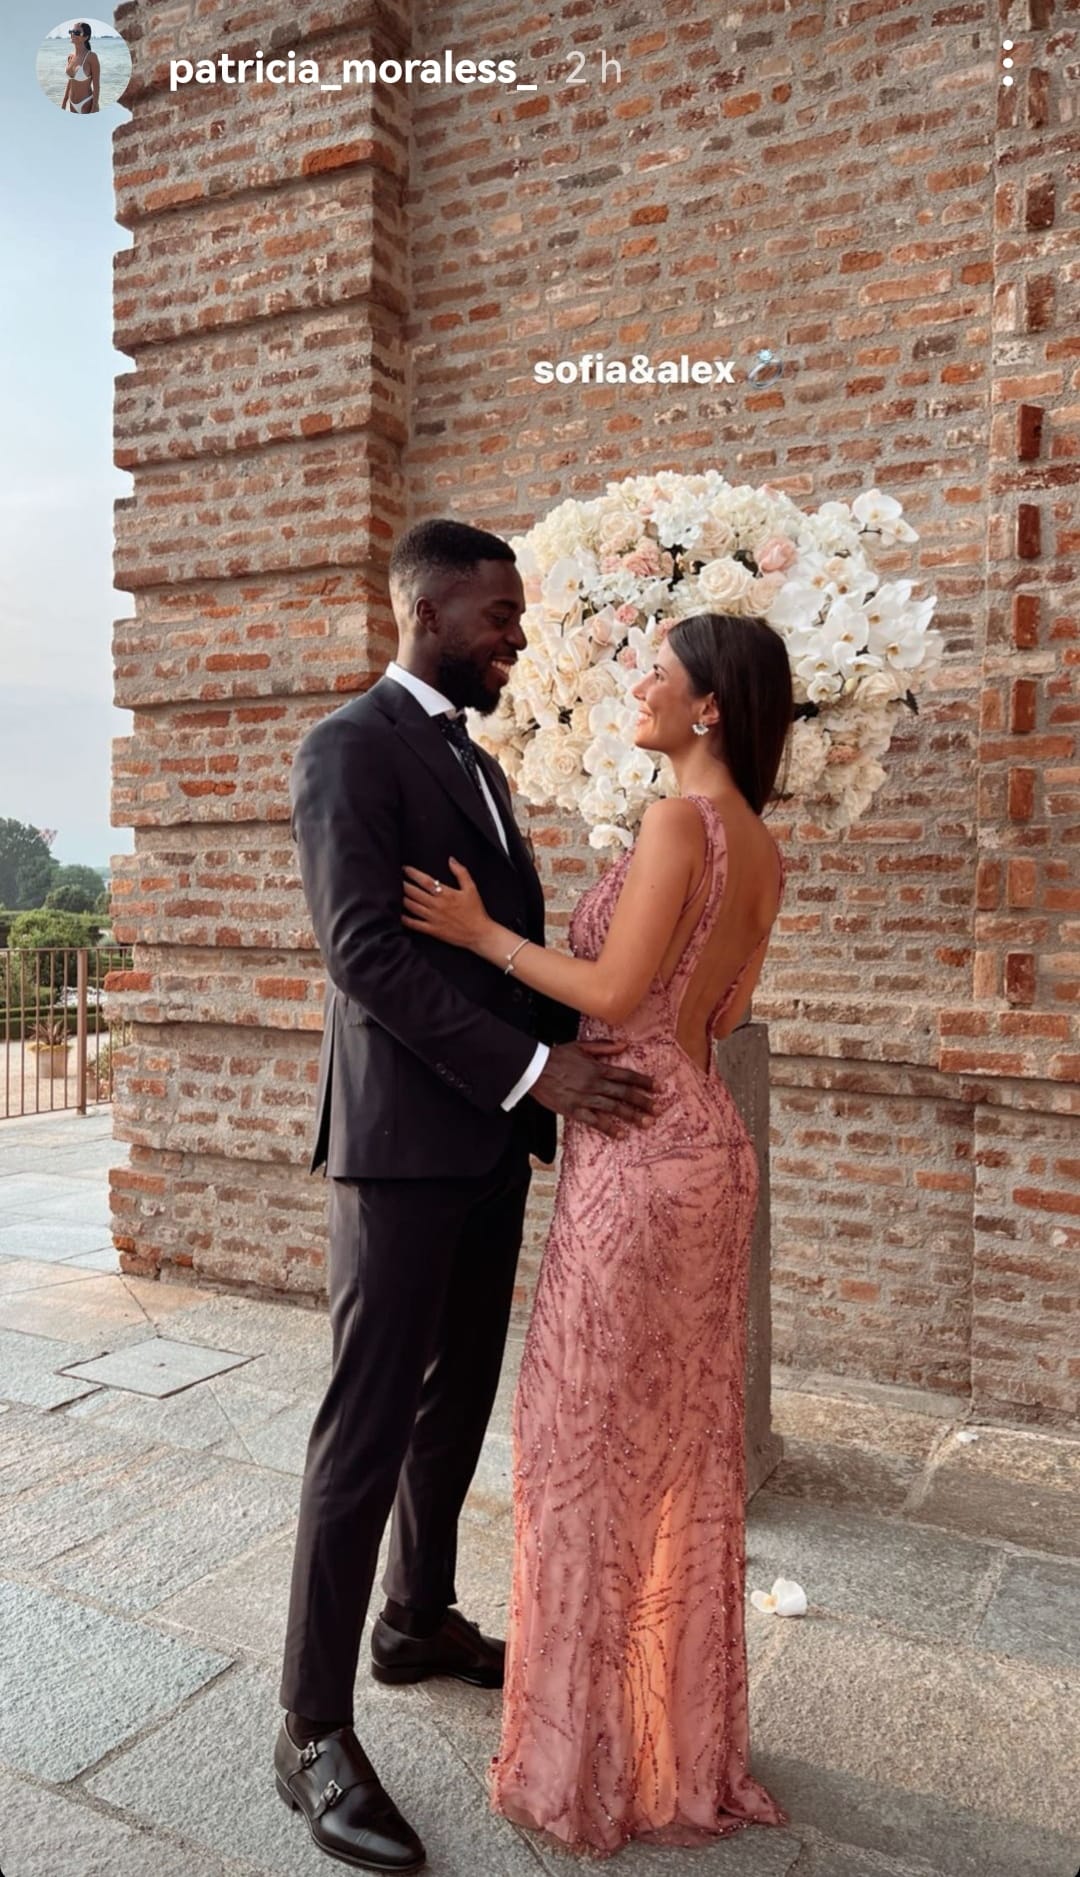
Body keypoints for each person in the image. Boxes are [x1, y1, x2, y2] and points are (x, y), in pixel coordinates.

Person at [275, 519, 657, 1873]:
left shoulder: (477, 759)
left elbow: (494, 950)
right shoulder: (348, 747)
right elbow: (363, 953)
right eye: (497, 613)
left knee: (458, 1404)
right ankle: (310, 1724)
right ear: (427, 607)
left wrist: (578, 1042)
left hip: (491, 1147)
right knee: (363, 1430)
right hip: (399, 1150)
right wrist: (534, 1074)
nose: (515, 634)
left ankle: (415, 1618)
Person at [401, 609, 794, 1856]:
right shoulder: (765, 845)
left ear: (710, 707)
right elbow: (719, 1010)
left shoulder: (680, 821)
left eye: (658, 674)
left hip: (634, 1158)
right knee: (675, 1456)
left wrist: (484, 937)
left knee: (583, 1453)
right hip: (707, 1141)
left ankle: (586, 1764)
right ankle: (675, 1744)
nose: (638, 686)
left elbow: (618, 995)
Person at [61, 23, 99, 114]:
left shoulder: (91, 57)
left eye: (77, 32)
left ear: (85, 37)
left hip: (86, 103)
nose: (73, 34)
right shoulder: (70, 57)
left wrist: (94, 107)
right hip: (72, 103)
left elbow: (96, 86)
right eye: (71, 31)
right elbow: (70, 81)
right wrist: (64, 102)